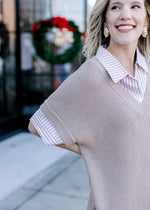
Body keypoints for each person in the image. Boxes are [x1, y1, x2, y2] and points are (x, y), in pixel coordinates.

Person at [28, 0, 150, 209]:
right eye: (115, 6)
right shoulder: (92, 75)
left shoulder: (145, 68)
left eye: (135, 6)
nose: (125, 15)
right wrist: (96, 151)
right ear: (105, 20)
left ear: (146, 20)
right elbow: (38, 125)